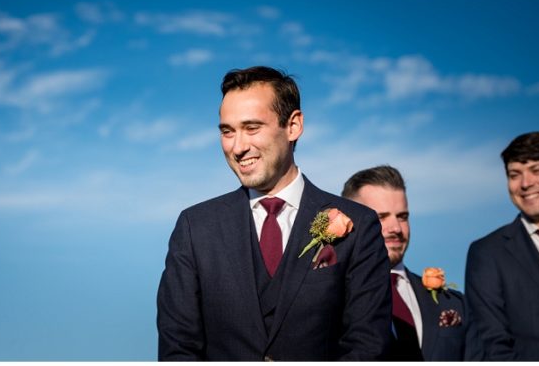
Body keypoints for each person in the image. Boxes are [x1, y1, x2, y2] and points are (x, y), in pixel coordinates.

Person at [156, 66, 391, 361]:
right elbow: (178, 349)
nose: (238, 147)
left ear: (293, 126)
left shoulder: (360, 225)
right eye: (228, 132)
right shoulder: (195, 229)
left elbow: (367, 346)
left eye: (252, 128)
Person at [343, 165, 475, 360]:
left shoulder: (454, 302)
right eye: (380, 217)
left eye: (402, 217)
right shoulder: (329, 300)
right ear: (350, 221)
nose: (396, 227)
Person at [465, 132, 539, 360]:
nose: (526, 184)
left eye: (536, 170)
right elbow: (493, 345)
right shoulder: (487, 254)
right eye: (515, 174)